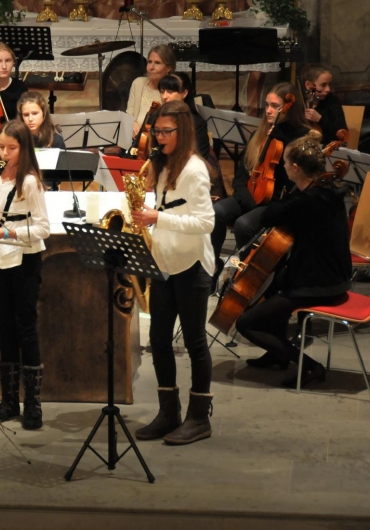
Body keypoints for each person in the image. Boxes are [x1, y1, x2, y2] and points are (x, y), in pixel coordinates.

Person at [235, 134, 351, 388]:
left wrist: (291, 193)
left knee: (246, 323)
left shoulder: (307, 200)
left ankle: (310, 366)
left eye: (285, 163)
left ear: (296, 169)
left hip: (319, 283)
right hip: (336, 276)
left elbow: (269, 215)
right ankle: (278, 355)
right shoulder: (328, 190)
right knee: (277, 282)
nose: (283, 167)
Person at [129, 100, 215, 445]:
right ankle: (169, 413)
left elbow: (206, 222)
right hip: (164, 262)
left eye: (166, 132)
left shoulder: (195, 169)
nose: (159, 137)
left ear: (183, 131)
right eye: (157, 131)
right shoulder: (163, 167)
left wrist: (157, 218)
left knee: (195, 342)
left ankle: (199, 418)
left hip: (192, 266)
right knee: (160, 340)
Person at [0, 119, 50, 430]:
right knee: (4, 330)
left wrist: (6, 231)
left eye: (11, 148)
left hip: (24, 261)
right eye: (1, 147)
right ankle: (9, 399)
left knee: (26, 329)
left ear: (24, 150)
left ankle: (33, 403)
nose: (5, 153)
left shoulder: (30, 183)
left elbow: (42, 229)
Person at [210, 83, 310, 282]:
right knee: (216, 211)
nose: (269, 110)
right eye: (267, 105)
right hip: (251, 194)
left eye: (275, 105)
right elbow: (242, 172)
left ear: (289, 107)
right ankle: (213, 267)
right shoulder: (263, 131)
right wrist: (245, 196)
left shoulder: (300, 138)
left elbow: (293, 184)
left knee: (243, 225)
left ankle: (248, 277)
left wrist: (260, 202)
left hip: (275, 201)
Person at [158, 72, 224, 198]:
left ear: (184, 93)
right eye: (162, 91)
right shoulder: (159, 119)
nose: (164, 97)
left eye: (170, 92)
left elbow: (198, 161)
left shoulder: (197, 123)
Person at [126, 45, 176, 137]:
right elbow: (129, 115)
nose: (151, 67)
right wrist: (133, 123)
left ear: (169, 68)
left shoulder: (173, 92)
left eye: (157, 63)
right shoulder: (138, 83)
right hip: (135, 142)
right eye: (149, 62)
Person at [301, 63, 347, 145]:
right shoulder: (299, 102)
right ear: (308, 85)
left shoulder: (332, 101)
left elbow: (342, 134)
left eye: (329, 84)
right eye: (323, 85)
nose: (328, 89)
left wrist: (320, 119)